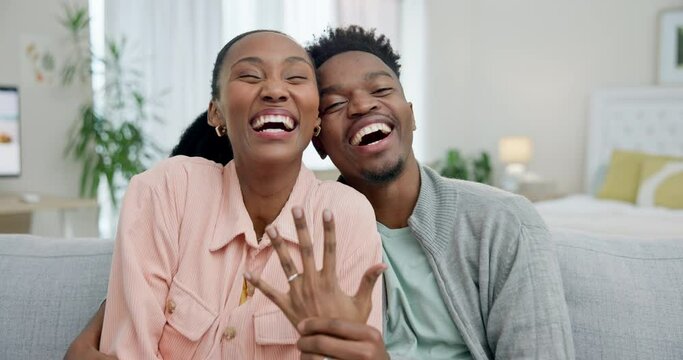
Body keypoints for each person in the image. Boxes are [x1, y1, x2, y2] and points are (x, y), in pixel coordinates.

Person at [66, 26, 575, 360]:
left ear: (411, 112)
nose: (362, 106)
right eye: (336, 104)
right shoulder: (319, 222)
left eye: (381, 90)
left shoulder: (502, 224)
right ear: (317, 137)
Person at [94, 29, 384, 359]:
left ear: (316, 117)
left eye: (295, 77)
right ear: (216, 112)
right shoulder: (167, 190)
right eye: (249, 75)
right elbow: (129, 350)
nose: (275, 90)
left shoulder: (344, 215)